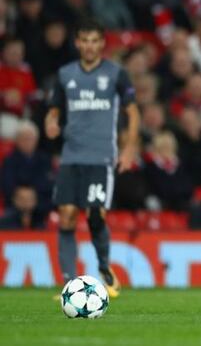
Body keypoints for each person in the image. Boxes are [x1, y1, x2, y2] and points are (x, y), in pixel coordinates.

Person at [45, 18, 140, 298]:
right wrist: (51, 122)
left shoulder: (115, 74)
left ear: (102, 43)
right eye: (84, 40)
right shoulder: (65, 75)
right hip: (71, 157)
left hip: (101, 158)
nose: (89, 46)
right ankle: (67, 283)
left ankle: (105, 271)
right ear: (77, 43)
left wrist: (129, 149)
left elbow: (132, 112)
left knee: (95, 216)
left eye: (94, 41)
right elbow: (54, 109)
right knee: (66, 217)